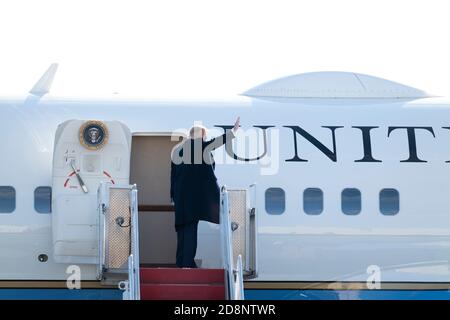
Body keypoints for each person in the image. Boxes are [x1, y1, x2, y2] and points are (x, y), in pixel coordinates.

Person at [170, 117, 240, 268]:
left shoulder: (178, 151)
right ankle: (187, 263)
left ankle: (181, 262)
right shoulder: (199, 146)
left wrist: (173, 197)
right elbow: (216, 143)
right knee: (190, 230)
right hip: (194, 197)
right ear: (200, 136)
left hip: (180, 196)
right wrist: (233, 132)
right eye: (205, 137)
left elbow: (173, 175)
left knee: (182, 230)